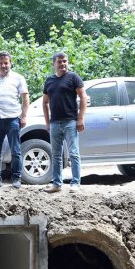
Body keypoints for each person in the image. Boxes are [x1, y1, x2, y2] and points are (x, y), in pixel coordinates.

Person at [0, 51, 29, 189]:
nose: (3, 65)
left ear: (10, 63)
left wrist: (24, 115)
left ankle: (16, 179)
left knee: (16, 150)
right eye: (1, 63)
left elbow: (25, 97)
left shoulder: (18, 78)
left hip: (13, 119)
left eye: (6, 63)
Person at [42, 52, 87, 193]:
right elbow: (45, 102)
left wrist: (80, 119)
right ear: (53, 64)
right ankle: (56, 184)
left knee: (74, 153)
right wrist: (47, 123)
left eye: (65, 61)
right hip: (55, 123)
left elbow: (83, 97)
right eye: (59, 62)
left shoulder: (73, 77)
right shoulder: (49, 80)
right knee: (56, 154)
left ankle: (75, 183)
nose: (63, 64)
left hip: (70, 122)